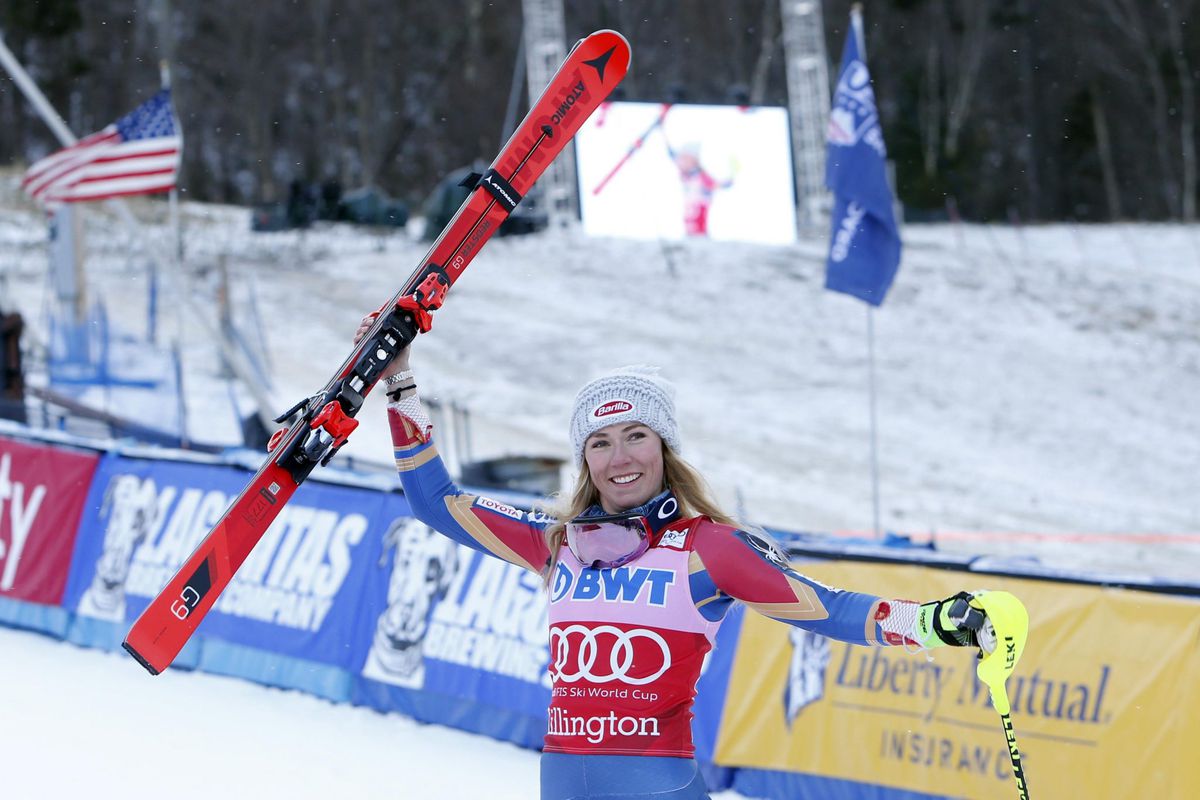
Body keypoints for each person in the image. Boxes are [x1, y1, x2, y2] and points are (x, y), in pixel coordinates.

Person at [355, 317, 1006, 800]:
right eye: (601, 443)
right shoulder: (559, 543)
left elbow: (826, 609)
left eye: (637, 435)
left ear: (665, 447)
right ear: (584, 459)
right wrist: (401, 379)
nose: (620, 459)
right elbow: (435, 502)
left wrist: (934, 622)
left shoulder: (707, 550)